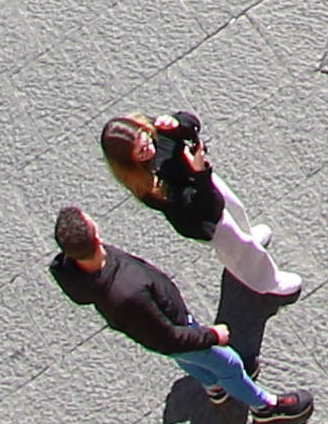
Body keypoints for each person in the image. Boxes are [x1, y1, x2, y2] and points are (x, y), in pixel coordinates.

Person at [49, 202, 310, 424]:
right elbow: (171, 338)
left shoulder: (71, 269)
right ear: (94, 235)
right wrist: (211, 336)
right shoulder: (126, 293)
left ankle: (214, 387)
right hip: (177, 330)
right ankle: (264, 407)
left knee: (191, 362)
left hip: (159, 329)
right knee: (229, 363)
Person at [100, 109, 303, 302]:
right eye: (141, 151)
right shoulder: (151, 185)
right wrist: (199, 173)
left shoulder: (153, 129)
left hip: (204, 181)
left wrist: (178, 123)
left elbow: (192, 124)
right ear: (130, 161)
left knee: (236, 212)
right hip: (203, 215)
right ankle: (267, 281)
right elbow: (203, 205)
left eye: (145, 137)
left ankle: (243, 245)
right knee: (238, 244)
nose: (149, 147)